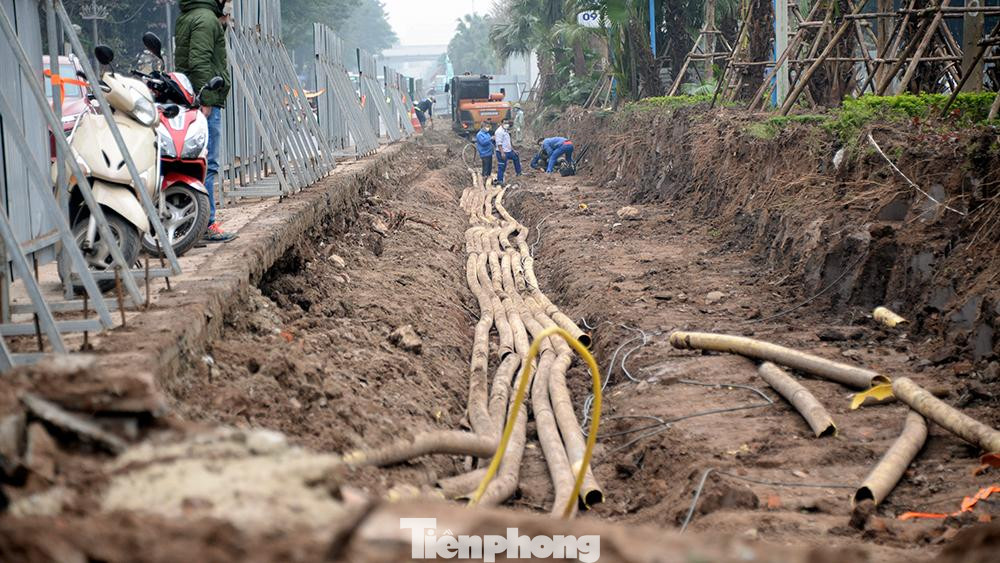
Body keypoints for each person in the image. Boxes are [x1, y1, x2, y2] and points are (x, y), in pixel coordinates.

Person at [175, 0, 236, 242]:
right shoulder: (205, 19)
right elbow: (199, 61)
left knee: (192, 162)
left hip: (191, 97)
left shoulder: (192, 15)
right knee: (206, 164)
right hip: (204, 99)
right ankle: (206, 224)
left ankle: (190, 226)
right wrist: (206, 98)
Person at [493, 120, 521, 185]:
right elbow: (499, 143)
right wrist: (502, 153)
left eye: (507, 123)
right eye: (505, 123)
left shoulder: (506, 131)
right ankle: (500, 180)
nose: (506, 124)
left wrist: (513, 150)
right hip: (502, 152)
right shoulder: (499, 132)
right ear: (501, 123)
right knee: (502, 166)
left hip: (509, 151)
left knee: (516, 157)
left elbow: (509, 142)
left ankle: (519, 172)